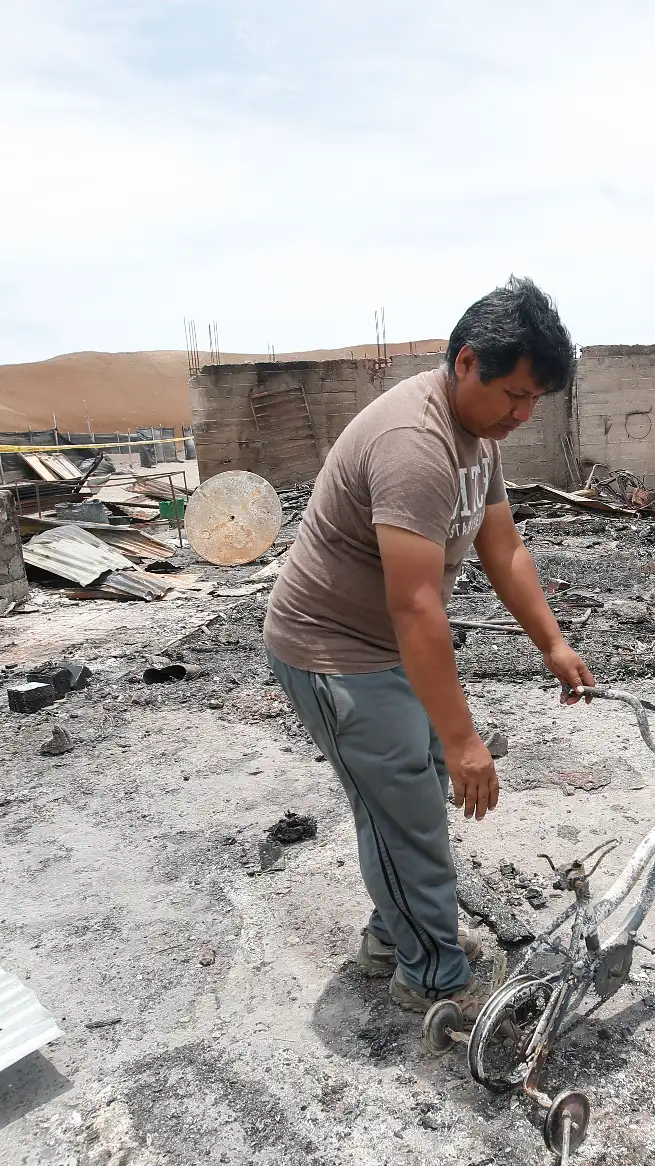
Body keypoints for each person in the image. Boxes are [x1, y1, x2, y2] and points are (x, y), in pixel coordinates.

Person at [264, 277, 594, 1014]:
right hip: (333, 652)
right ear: (468, 362)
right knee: (406, 809)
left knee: (404, 802)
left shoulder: (478, 434)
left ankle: (394, 937)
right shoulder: (417, 444)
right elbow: (415, 605)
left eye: (535, 400)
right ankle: (434, 980)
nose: (522, 413)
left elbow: (502, 546)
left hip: (385, 647)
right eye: (514, 394)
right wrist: (462, 737)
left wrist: (552, 643)